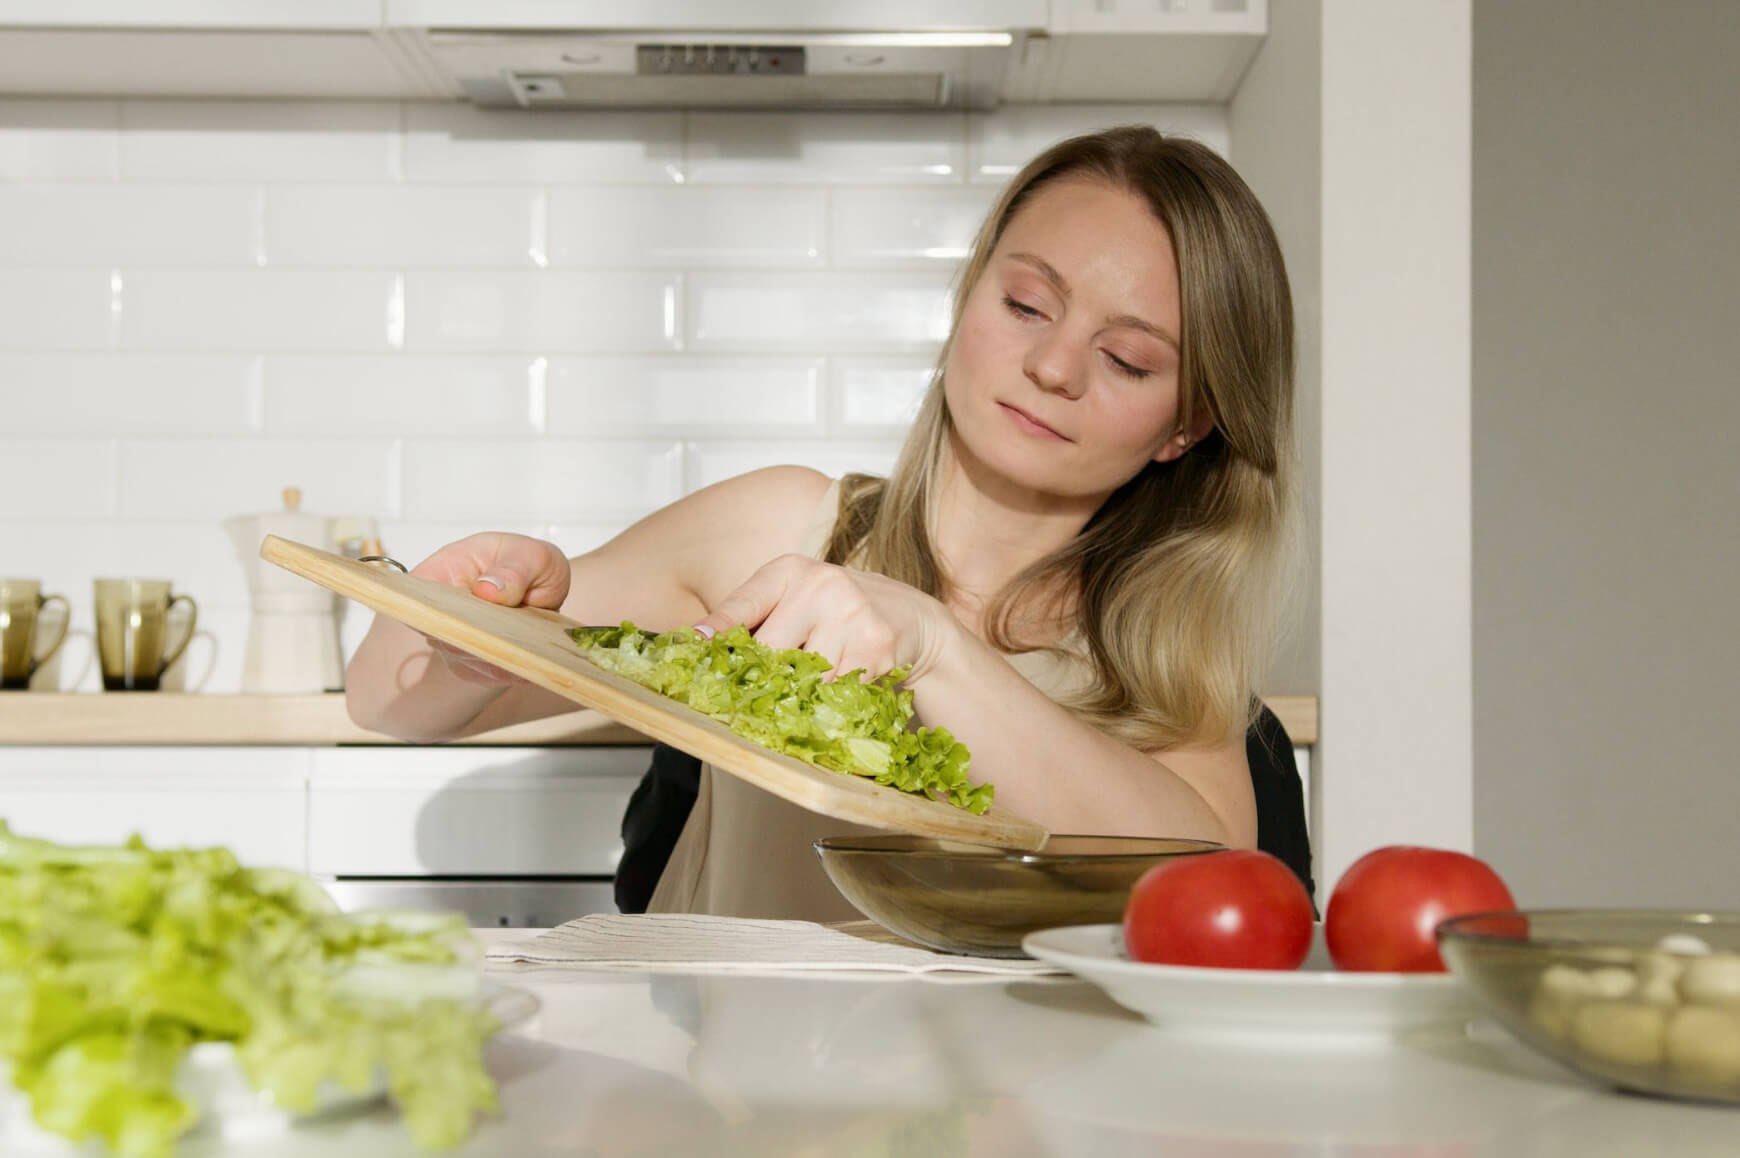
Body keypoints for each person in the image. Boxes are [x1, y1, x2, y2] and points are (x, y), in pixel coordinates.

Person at [345, 124, 1304, 922]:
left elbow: (1205, 873)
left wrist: (932, 648)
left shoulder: (1163, 659)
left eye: (1128, 360)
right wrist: (471, 631)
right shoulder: (784, 528)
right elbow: (385, 697)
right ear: (970, 293)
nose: (1054, 367)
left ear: (1188, 425)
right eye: (1024, 305)